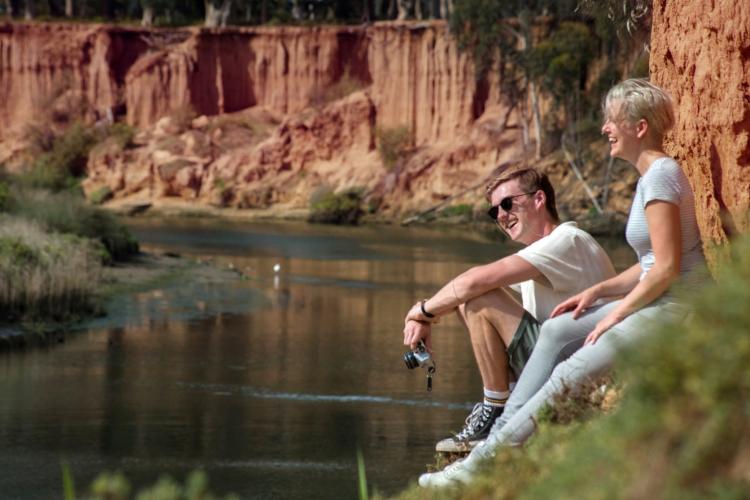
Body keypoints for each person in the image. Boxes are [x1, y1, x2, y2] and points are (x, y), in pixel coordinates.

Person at [418, 78, 708, 488]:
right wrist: (600, 291)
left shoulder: (661, 177)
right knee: (555, 328)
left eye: (613, 120)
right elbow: (648, 264)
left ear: (640, 127)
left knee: (569, 371)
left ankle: (482, 469)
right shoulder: (650, 179)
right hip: (661, 299)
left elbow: (667, 270)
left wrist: (617, 314)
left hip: (681, 305)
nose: (605, 128)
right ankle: (483, 454)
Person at [403, 166, 616, 453]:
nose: (501, 216)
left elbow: (474, 282)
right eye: (494, 212)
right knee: (471, 299)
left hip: (580, 375)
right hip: (562, 364)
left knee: (478, 298)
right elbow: (466, 292)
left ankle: (495, 408)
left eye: (507, 204)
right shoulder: (543, 255)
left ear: (539, 199)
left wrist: (421, 312)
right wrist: (430, 316)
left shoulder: (567, 241)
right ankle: (506, 400)